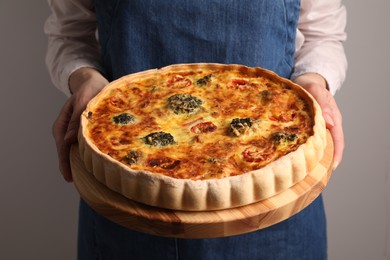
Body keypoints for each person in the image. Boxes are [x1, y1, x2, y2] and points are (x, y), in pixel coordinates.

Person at [45, 0, 347, 259]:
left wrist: (315, 81)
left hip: (276, 206)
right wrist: (84, 78)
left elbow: (322, 34)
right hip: (127, 201)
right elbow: (70, 34)